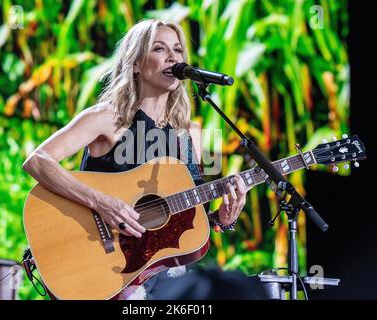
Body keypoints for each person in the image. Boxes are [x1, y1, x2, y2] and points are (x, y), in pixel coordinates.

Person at [22, 18, 251, 300]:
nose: (172, 57)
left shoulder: (190, 134)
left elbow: (189, 220)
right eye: (159, 49)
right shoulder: (106, 118)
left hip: (167, 278)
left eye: (178, 50)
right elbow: (37, 160)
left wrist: (221, 220)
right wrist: (101, 203)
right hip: (108, 269)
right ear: (135, 64)